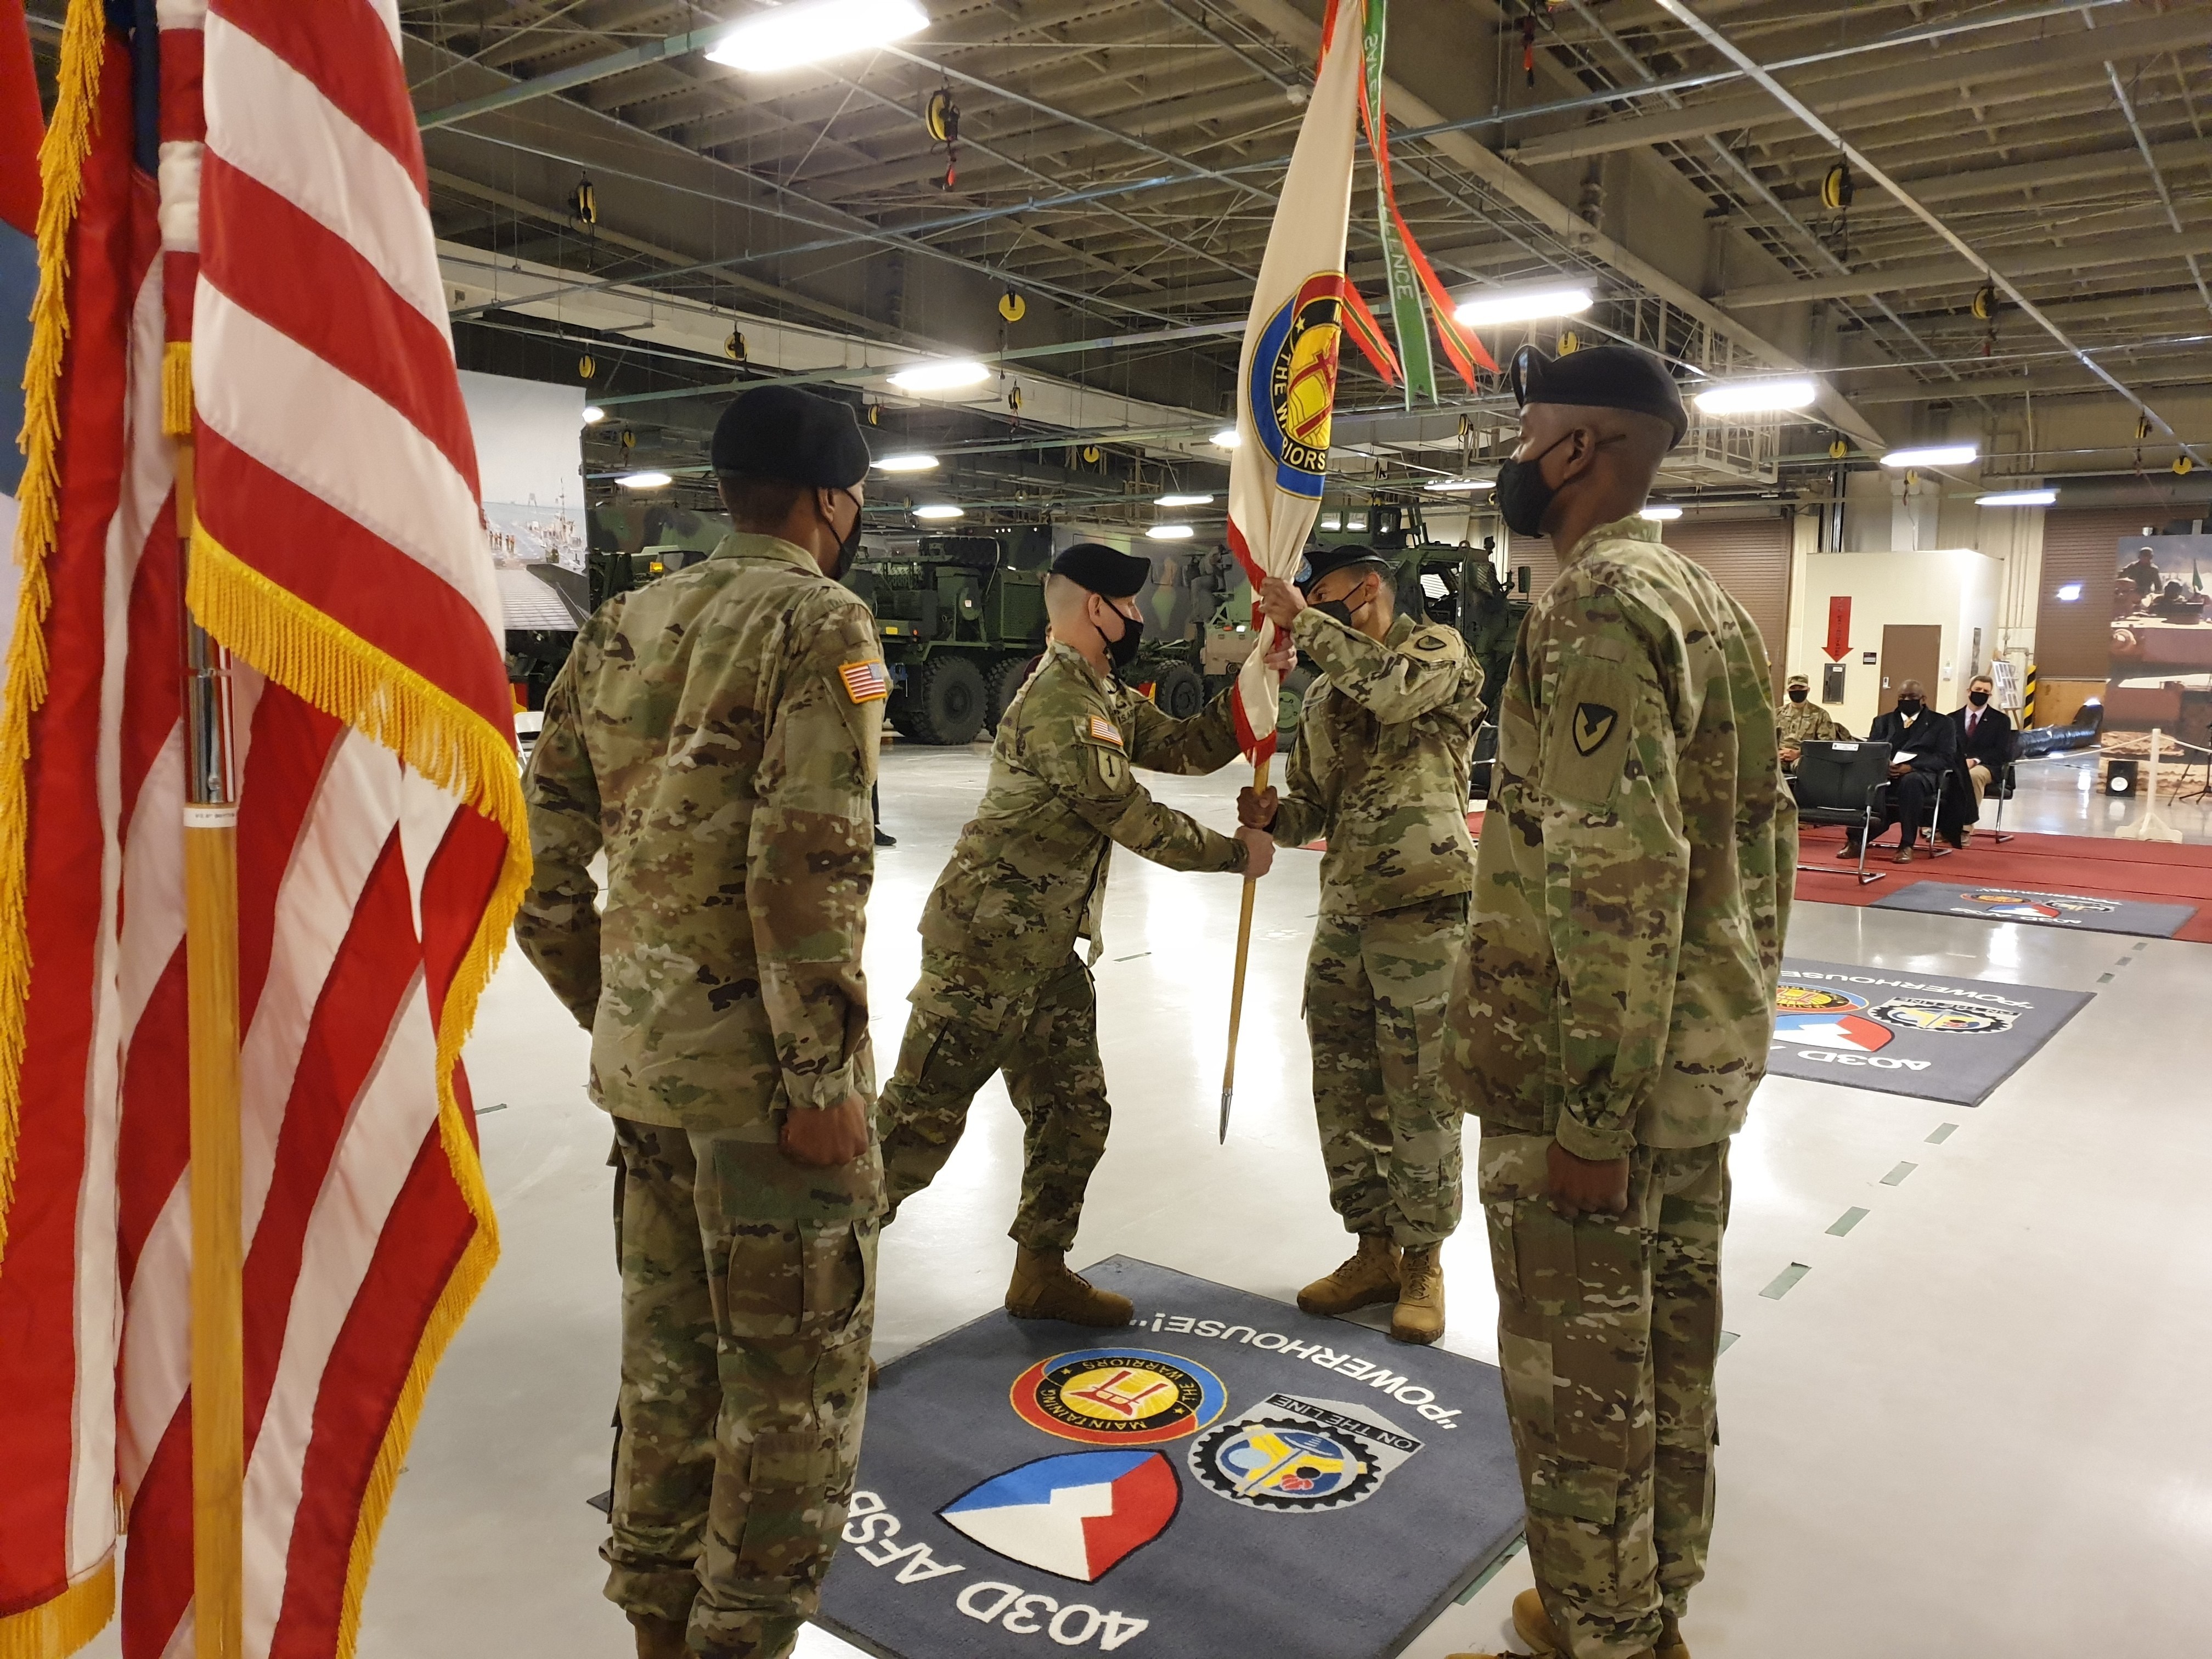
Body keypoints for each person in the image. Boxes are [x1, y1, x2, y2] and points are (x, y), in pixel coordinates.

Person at [517, 383, 888, 1659]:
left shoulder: (619, 622)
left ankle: (658, 1638)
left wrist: (619, 1008)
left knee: (668, 1381)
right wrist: (821, 1077)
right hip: (769, 1105)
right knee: (789, 1405)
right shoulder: (821, 618)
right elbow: (808, 865)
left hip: (649, 1078)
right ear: (832, 501)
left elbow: (541, 868)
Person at [1447, 343, 1795, 1659]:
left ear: (1579, 449)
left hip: (1591, 1089)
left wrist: (1592, 1116)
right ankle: (1642, 1604)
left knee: (1581, 1387)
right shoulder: (1703, 597)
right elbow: (1761, 850)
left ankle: (1604, 1632)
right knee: (1664, 1355)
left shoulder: (1596, 606)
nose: (1513, 448)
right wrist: (1719, 1043)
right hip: (1688, 1066)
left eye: (1526, 424)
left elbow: (1619, 877)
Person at [874, 543, 1286, 1325]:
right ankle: (814, 1317)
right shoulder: (1061, 701)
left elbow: (1185, 747)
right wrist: (1238, 855)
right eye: (1129, 605)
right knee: (911, 1134)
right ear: (1098, 607)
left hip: (1043, 952)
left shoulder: (1099, 688)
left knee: (1075, 1113)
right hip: (984, 951)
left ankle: (1039, 1273)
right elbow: (1131, 817)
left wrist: (1258, 678)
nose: (1138, 616)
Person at [1236, 544, 1486, 1345]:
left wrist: (1300, 622)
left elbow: (1394, 695)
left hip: (1424, 913)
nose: (1309, 604)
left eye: (1324, 594)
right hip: (1344, 915)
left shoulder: (1434, 651)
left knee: (1421, 1095)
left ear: (1368, 590)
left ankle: (1422, 1262)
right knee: (1344, 1094)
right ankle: (1371, 1247)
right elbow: (1316, 805)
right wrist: (1280, 817)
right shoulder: (1321, 702)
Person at [1852, 678, 1960, 862]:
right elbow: (1872, 751)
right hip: (1887, 773)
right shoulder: (1882, 722)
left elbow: (1946, 758)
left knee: (1911, 782)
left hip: (1922, 774)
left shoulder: (1942, 723)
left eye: (1912, 697)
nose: (1907, 701)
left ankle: (1906, 845)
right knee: (1863, 780)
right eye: (1902, 697)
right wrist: (1885, 765)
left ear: (1923, 699)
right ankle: (1855, 840)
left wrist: (1911, 767)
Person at [1950, 673, 2012, 825]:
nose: (1981, 694)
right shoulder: (1951, 719)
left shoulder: (2001, 721)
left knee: (1973, 776)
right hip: (1957, 763)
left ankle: (1965, 827)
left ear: (1990, 695)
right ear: (1969, 691)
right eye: (1978, 689)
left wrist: (1975, 760)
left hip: (1987, 766)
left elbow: (2001, 752)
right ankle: (1937, 825)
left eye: (1986, 692)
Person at [1777, 672, 1846, 770]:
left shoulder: (1820, 715)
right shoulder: (1777, 714)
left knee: (1805, 768)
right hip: (1778, 758)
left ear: (1808, 690)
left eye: (1801, 688)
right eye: (1793, 688)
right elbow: (1766, 741)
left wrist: (1799, 753)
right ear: (1788, 691)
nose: (1797, 691)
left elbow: (1826, 745)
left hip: (1804, 758)